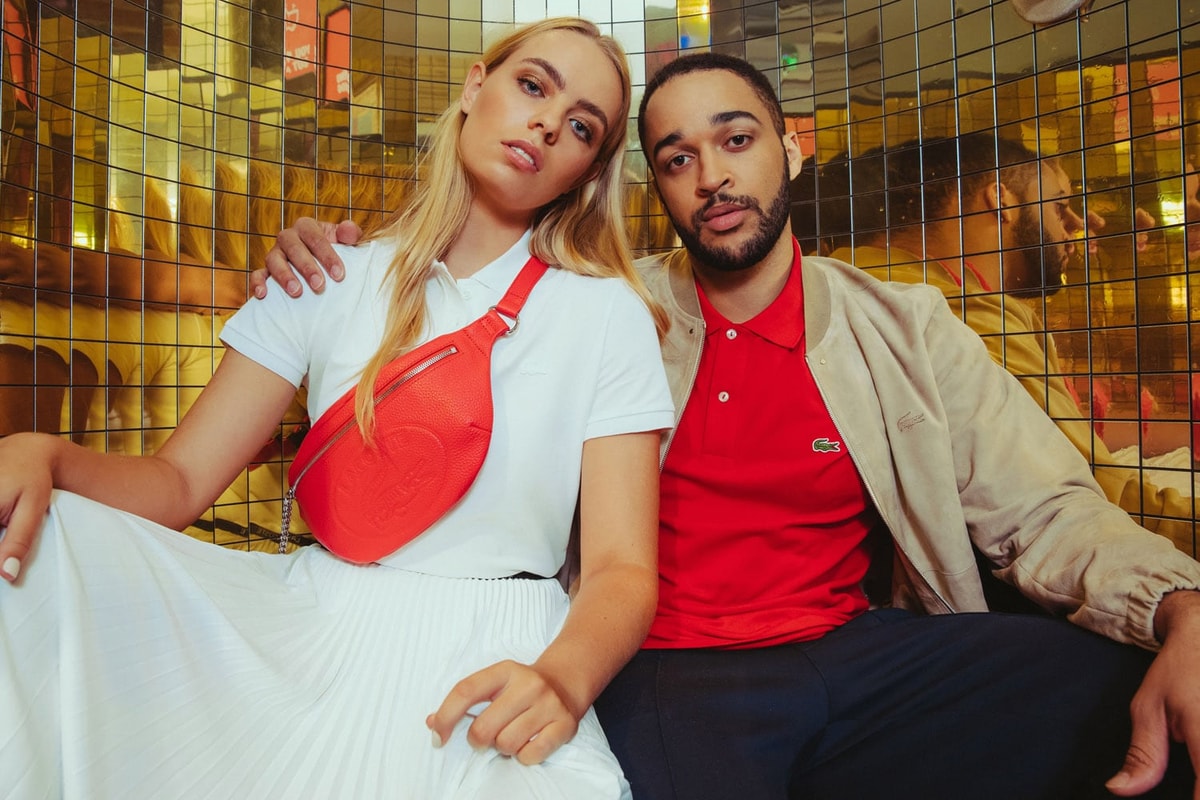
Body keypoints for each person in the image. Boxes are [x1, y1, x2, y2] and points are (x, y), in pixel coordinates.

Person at [262, 53, 1200, 800]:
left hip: (857, 649)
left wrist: (1178, 607)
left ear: (788, 149)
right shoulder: (608, 314)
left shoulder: (902, 325)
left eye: (736, 139)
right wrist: (337, 277)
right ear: (655, 187)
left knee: (1141, 707)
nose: (711, 177)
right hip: (672, 668)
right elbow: (424, 387)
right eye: (676, 159)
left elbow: (1046, 511)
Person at [0, 17, 675, 798]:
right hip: (309, 632)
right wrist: (44, 453)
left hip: (502, 650)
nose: (547, 123)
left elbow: (623, 570)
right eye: (533, 85)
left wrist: (561, 679)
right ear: (474, 87)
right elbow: (178, 485)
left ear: (585, 171)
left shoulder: (606, 314)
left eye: (582, 126)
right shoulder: (325, 277)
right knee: (40, 549)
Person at [803, 134, 1195, 553]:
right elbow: (1094, 492)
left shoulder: (851, 271)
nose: (1078, 225)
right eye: (1059, 205)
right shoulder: (965, 312)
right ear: (1002, 201)